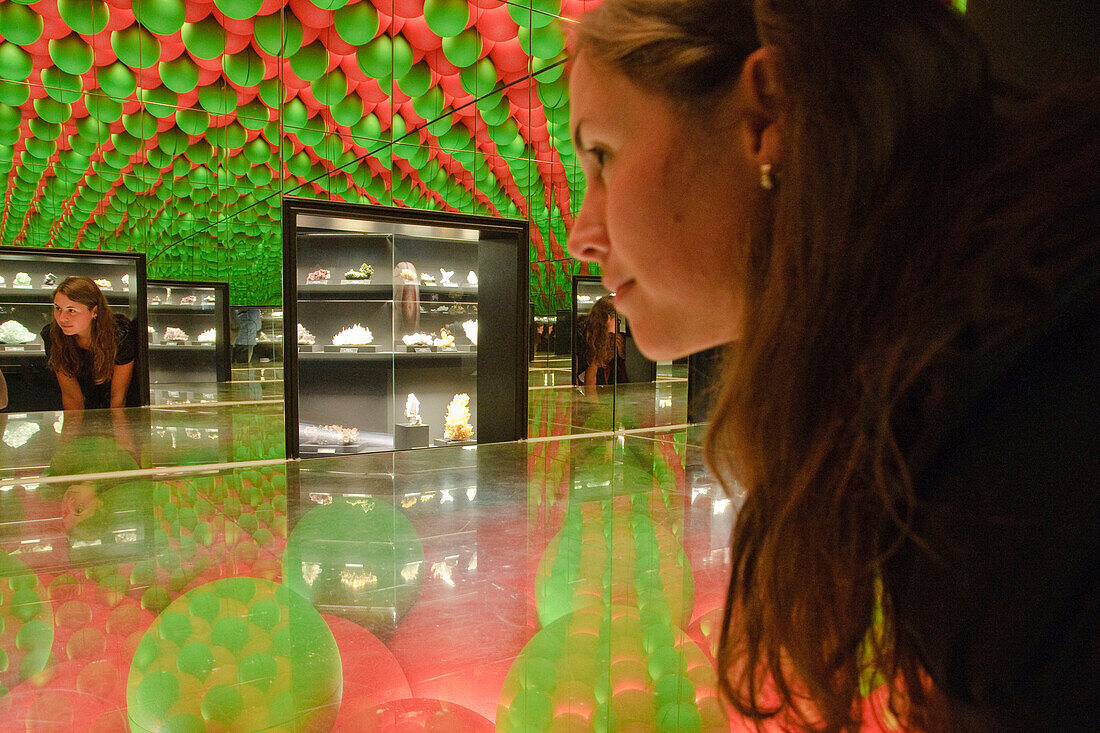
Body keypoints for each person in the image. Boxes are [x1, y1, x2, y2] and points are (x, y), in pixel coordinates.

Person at [568, 1, 1098, 730]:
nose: (579, 234)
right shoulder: (972, 310)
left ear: (765, 115)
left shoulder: (1001, 429)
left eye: (601, 155)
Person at [42, 276, 139, 410]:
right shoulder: (53, 336)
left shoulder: (120, 334)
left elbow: (118, 399)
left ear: (94, 311)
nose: (62, 318)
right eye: (58, 308)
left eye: (71, 310)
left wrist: (118, 429)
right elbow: (72, 397)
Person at [574, 295, 626, 389]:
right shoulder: (586, 336)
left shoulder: (602, 336)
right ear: (608, 317)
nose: (617, 324)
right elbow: (590, 378)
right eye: (617, 320)